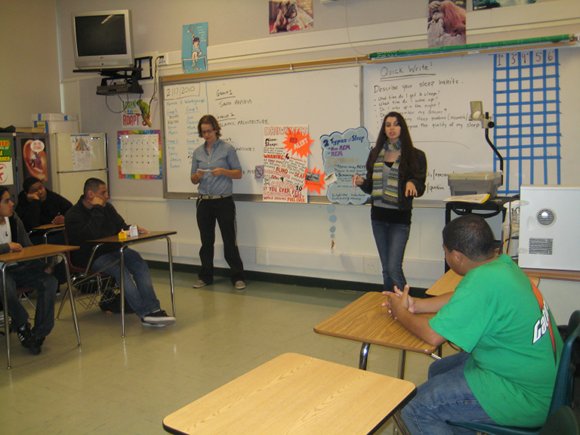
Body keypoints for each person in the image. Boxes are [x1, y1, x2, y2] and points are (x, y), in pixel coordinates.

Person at [385, 215, 563, 433]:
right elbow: (463, 297)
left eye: (445, 250)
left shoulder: (482, 281)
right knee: (438, 368)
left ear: (457, 257)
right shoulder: (501, 264)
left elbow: (433, 335)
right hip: (541, 380)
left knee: (414, 409)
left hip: (526, 397)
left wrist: (400, 312)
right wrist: (417, 305)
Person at [64, 178, 175, 327]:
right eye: (103, 193)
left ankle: (154, 308)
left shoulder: (108, 208)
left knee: (139, 263)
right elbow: (91, 235)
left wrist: (132, 229)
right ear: (90, 194)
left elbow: (120, 226)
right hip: (92, 256)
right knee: (121, 271)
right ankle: (144, 314)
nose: (107, 196)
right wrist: (97, 210)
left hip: (114, 249)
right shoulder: (73, 215)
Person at [353, 112, 427, 292]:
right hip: (378, 217)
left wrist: (412, 183)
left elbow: (420, 185)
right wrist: (363, 183)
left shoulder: (415, 155)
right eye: (387, 125)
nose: (391, 128)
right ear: (384, 129)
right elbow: (371, 186)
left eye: (395, 124)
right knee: (386, 269)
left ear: (402, 128)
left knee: (394, 267)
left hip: (399, 219)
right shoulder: (376, 153)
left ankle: (406, 306)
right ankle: (390, 305)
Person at [190, 114, 246, 291]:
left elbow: (238, 173)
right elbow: (192, 179)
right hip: (204, 202)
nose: (206, 135)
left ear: (216, 130)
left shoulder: (227, 149)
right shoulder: (197, 152)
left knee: (229, 240)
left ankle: (237, 277)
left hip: (223, 201)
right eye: (203, 132)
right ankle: (206, 277)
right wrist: (197, 176)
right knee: (206, 242)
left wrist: (223, 171)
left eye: (209, 131)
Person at [0, 186, 58, 355]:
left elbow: (28, 247)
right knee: (7, 288)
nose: (12, 204)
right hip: (2, 272)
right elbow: (9, 247)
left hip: (18, 268)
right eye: (6, 201)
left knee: (49, 282)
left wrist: (42, 265)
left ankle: (39, 332)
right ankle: (22, 324)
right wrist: (6, 247)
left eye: (11, 199)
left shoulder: (13, 219)